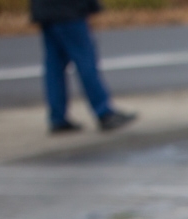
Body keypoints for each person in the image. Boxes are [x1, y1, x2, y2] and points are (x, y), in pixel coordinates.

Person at [29, 0, 134, 134]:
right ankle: (104, 112)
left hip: (45, 11)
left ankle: (57, 117)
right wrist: (90, 6)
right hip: (69, 10)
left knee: (54, 65)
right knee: (85, 61)